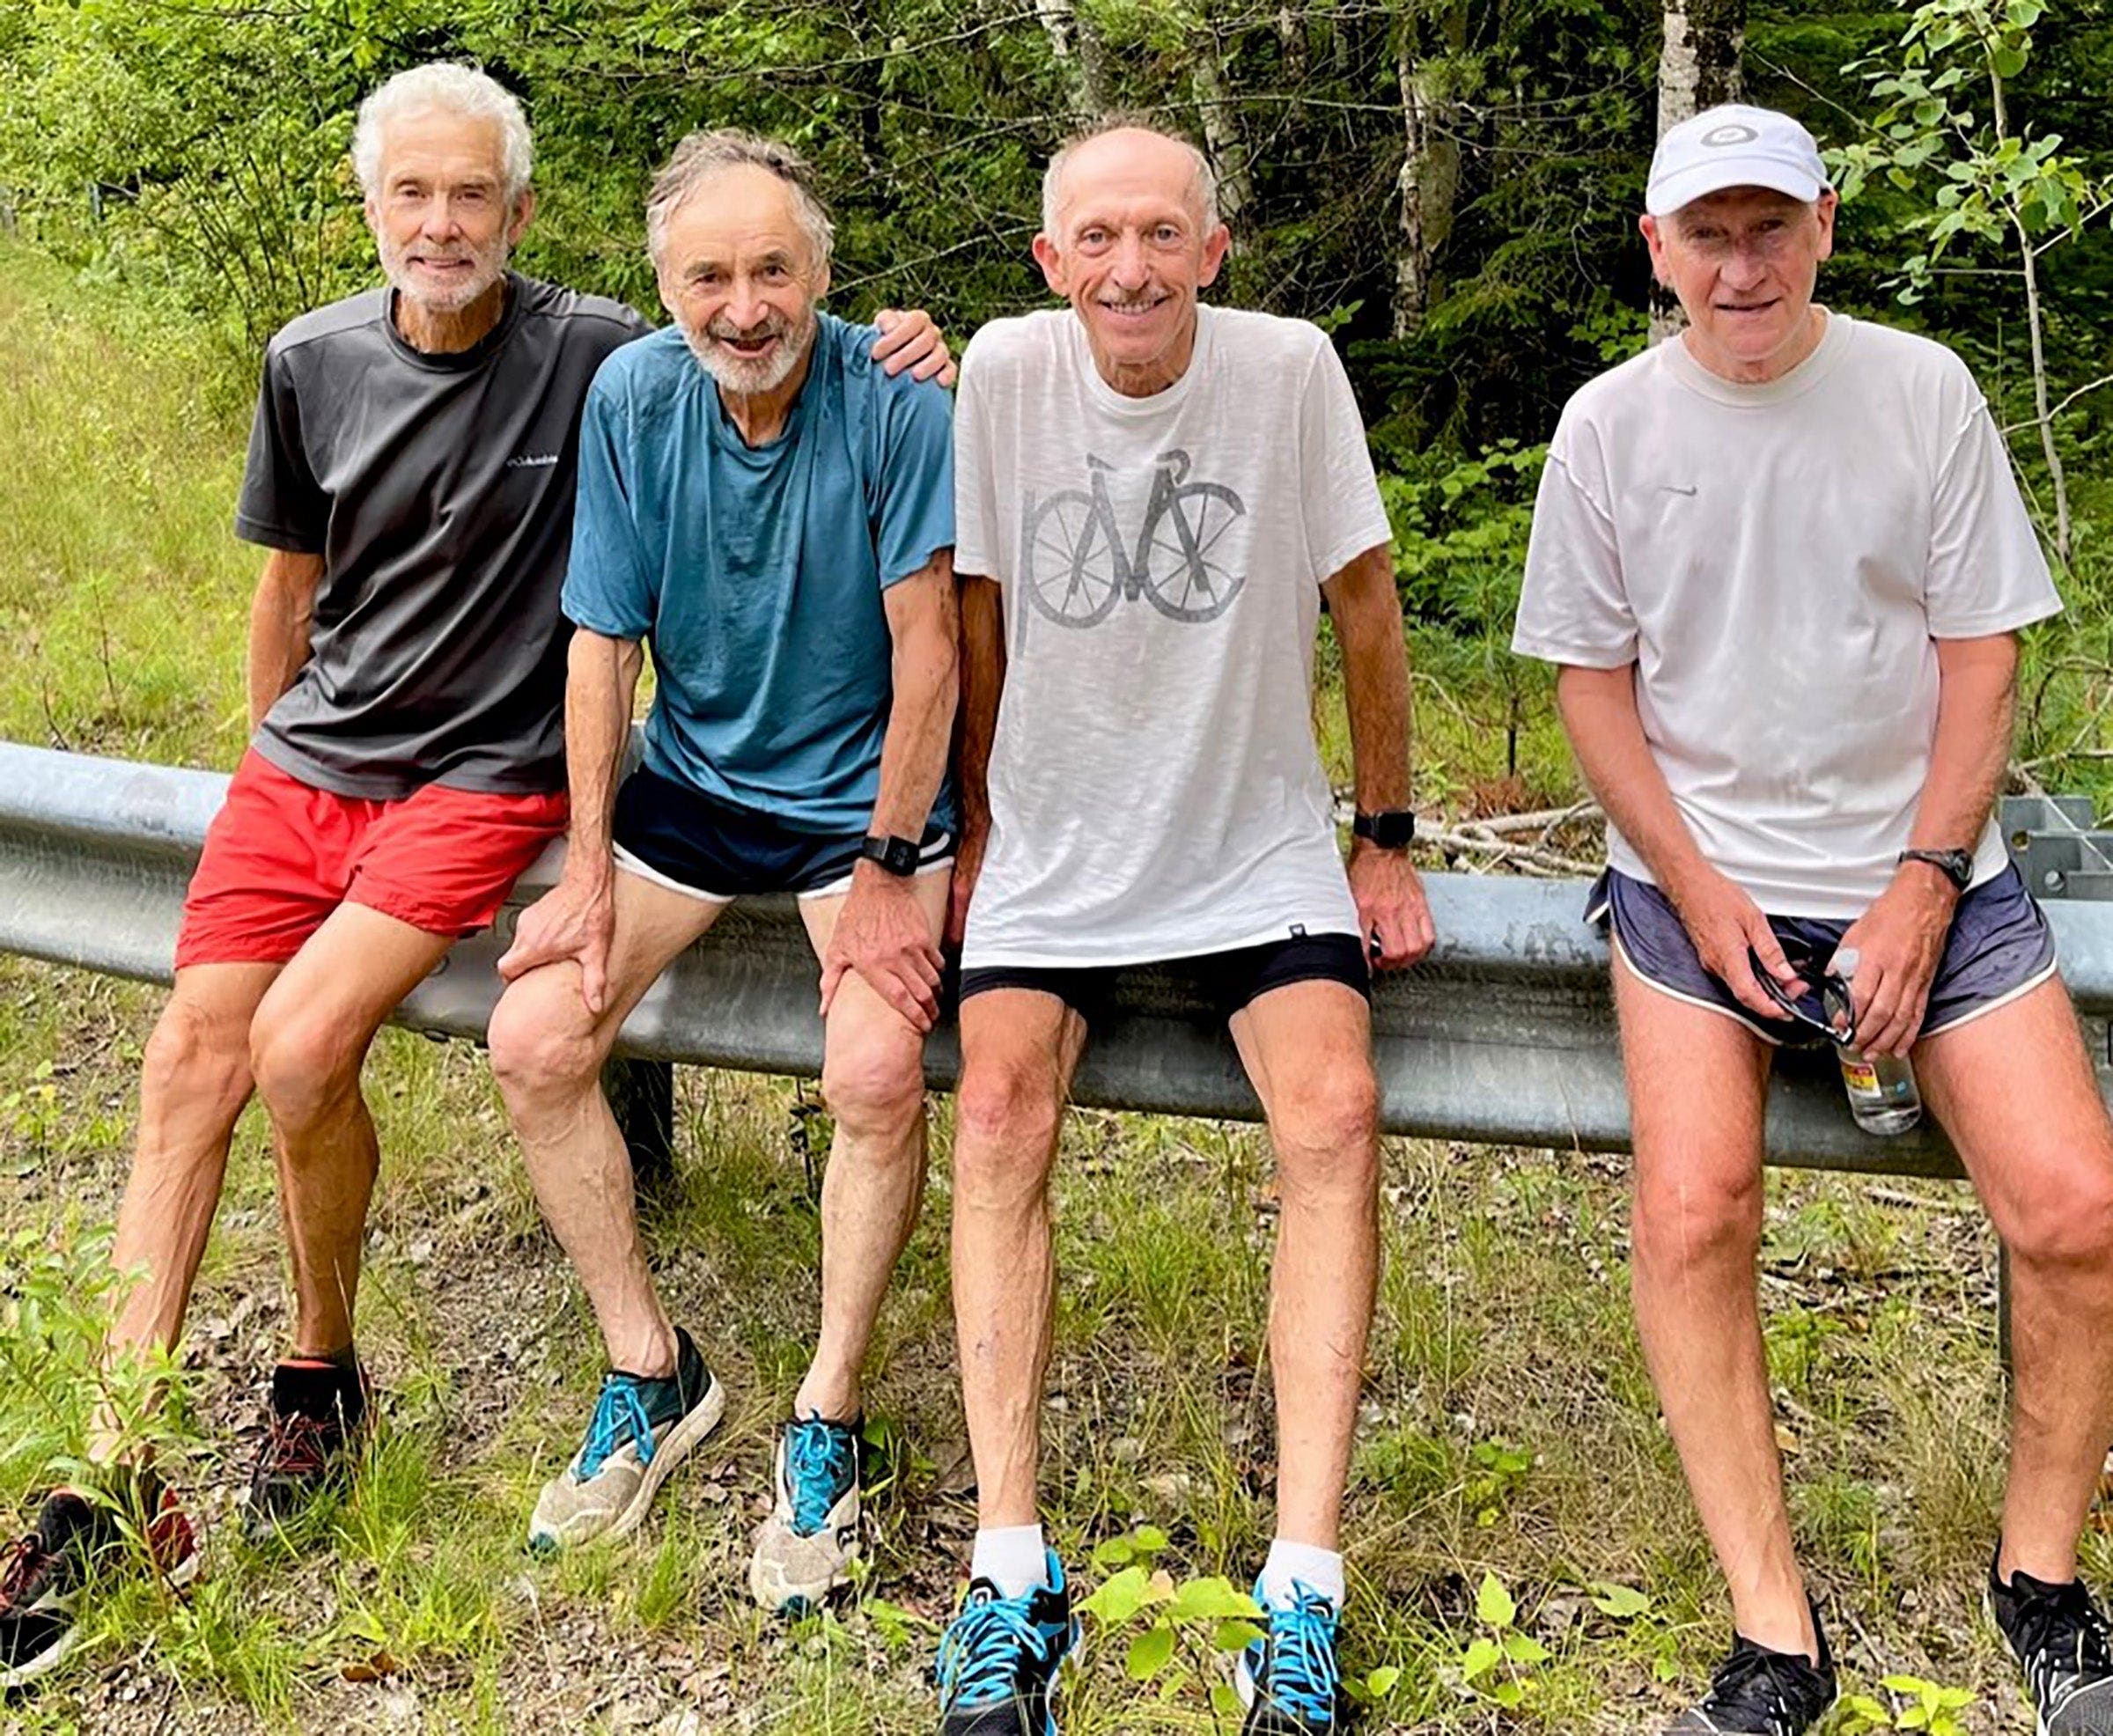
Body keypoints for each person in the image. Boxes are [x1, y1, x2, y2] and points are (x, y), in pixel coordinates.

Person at [0, 69, 950, 1691]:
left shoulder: (736, 371)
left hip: (667, 795)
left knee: (324, 1055)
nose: (441, 226)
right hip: (484, 779)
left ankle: (771, 1414)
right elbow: (417, 611)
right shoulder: (433, 368)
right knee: (337, 1054)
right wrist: (513, 848)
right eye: (410, 197)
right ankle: (147, 1468)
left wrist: (916, 334)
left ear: (520, 215)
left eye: (473, 199)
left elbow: (899, 592)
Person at [1513, 102, 2113, 1736]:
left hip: (1928, 870)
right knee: (1694, 1215)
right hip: (1695, 880)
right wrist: (1695, 891)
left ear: (1825, 229)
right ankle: (1776, 1639)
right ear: (1659, 253)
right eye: (1707, 234)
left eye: (1771, 226)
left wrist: (1923, 882)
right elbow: (1592, 684)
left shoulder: (1923, 392)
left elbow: (1985, 653)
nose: (1743, 263)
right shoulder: (1608, 428)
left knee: (2076, 1212)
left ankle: (2044, 1587)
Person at [934, 119, 1434, 1736]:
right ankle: (1013, 1576)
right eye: (1099, 239)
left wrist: (1385, 837)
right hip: (1061, 839)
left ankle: (1301, 1593)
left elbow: (1365, 601)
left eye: (1163, 235)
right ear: (1050, 260)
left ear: (1212, 251)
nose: (1131, 268)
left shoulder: (1289, 370)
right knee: (997, 1110)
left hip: (1252, 840)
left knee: (1338, 1114)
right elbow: (978, 609)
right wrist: (983, 822)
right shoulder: (1002, 374)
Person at [484, 129, 957, 1615]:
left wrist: (888, 863)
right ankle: (652, 1368)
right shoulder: (630, 397)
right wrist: (583, 866)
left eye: (772, 270)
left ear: (820, 273)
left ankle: (827, 1421)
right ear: (664, 285)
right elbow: (598, 643)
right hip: (690, 781)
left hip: (856, 802)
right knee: (533, 1036)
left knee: (877, 1077)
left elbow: (929, 651)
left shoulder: (894, 403)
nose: (742, 305)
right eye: (709, 275)